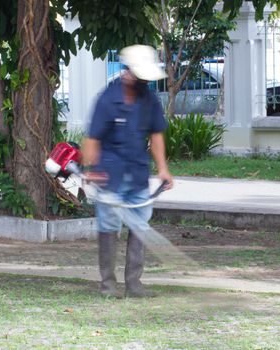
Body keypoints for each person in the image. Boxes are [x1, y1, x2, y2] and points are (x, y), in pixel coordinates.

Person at [82, 45, 173, 298]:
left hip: (138, 175)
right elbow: (92, 139)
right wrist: (92, 169)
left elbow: (156, 135)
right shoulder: (107, 99)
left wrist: (163, 169)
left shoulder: (149, 99)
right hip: (110, 176)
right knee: (109, 227)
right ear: (128, 73)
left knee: (140, 227)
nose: (144, 80)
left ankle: (134, 284)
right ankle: (108, 286)